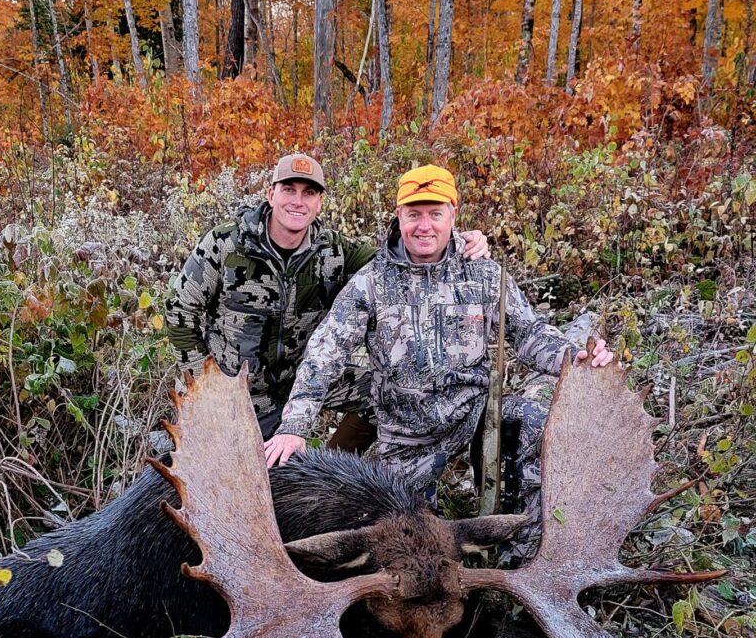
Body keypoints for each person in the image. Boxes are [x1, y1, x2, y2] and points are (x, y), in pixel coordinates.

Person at [265, 164, 613, 555]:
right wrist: (294, 426)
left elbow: (529, 333)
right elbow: (325, 351)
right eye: (414, 214)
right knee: (402, 539)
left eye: (435, 213)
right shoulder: (371, 281)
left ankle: (524, 548)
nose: (424, 226)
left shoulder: (484, 274)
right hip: (406, 436)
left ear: (453, 214)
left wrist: (575, 357)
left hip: (476, 417)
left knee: (530, 422)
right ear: (399, 217)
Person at [165, 153, 490, 447]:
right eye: (289, 189)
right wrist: (204, 384)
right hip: (228, 391)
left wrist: (459, 242)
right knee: (217, 480)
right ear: (271, 194)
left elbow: (399, 263)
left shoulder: (334, 252)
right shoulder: (226, 243)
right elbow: (180, 308)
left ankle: (327, 472)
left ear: (319, 202)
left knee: (391, 394)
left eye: (309, 192)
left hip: (295, 386)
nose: (298, 201)